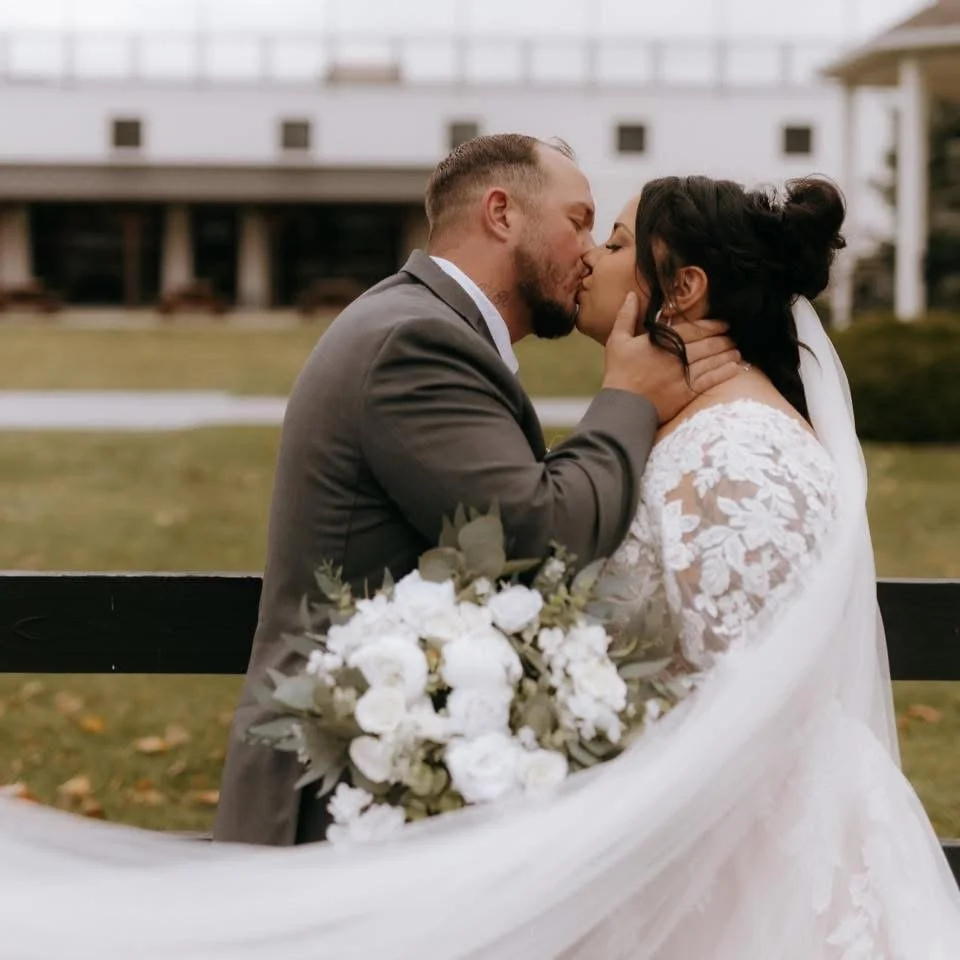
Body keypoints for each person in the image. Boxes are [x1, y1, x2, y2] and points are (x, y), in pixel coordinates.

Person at [2, 175, 959, 960]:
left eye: (615, 237)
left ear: (686, 290)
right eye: (588, 225)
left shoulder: (739, 450)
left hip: (746, 861)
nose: (593, 254)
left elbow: (750, 702)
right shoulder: (677, 424)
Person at [213, 135, 739, 846]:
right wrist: (628, 396)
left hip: (393, 781)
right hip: (338, 790)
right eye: (578, 221)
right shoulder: (414, 342)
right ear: (502, 214)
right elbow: (538, 534)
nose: (589, 251)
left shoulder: (426, 325)